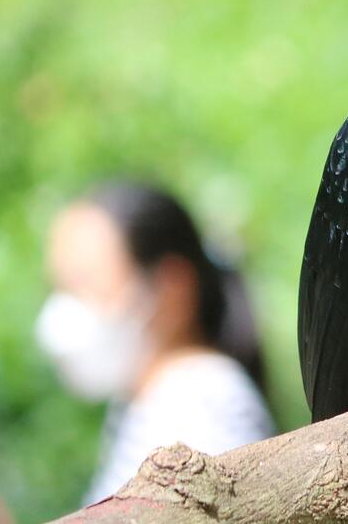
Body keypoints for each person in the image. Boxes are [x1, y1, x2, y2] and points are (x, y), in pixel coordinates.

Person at [35, 180, 275, 504]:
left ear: (171, 289)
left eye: (84, 285)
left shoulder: (203, 404)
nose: (66, 309)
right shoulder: (148, 402)